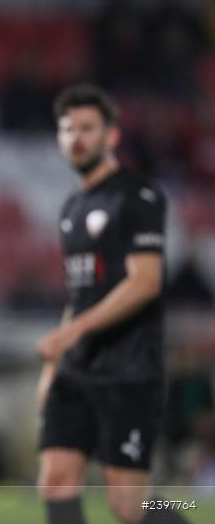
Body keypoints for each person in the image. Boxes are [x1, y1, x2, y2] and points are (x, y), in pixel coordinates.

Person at [36, 84, 190, 524]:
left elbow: (145, 282)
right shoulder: (72, 207)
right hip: (77, 367)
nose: (77, 138)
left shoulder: (137, 196)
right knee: (56, 480)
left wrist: (72, 332)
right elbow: (80, 294)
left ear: (112, 135)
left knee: (130, 505)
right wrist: (55, 365)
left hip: (129, 368)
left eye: (87, 128)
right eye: (68, 129)